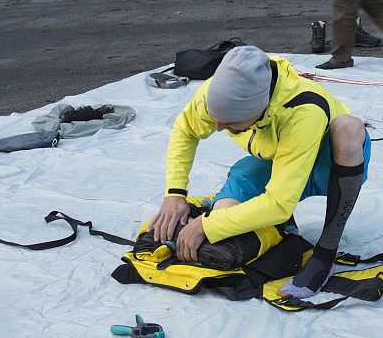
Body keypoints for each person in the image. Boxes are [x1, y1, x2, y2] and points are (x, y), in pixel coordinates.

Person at [148, 45, 371, 298]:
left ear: (258, 109)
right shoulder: (221, 89)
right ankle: (280, 229)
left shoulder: (304, 110)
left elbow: (278, 203)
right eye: (215, 117)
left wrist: (204, 226)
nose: (218, 127)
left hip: (328, 166)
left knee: (349, 128)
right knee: (222, 220)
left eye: (230, 122)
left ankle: (325, 253)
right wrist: (175, 193)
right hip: (278, 161)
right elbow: (185, 130)